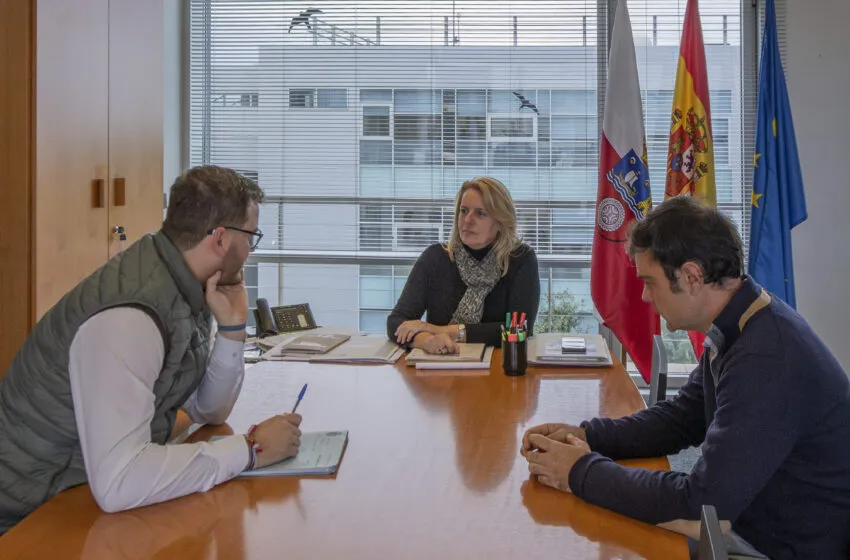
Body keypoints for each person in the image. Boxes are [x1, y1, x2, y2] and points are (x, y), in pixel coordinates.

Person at [521, 196, 850, 560]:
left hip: (780, 547)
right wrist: (586, 436)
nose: (645, 296)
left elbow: (703, 510)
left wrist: (579, 471)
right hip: (752, 524)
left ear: (692, 276)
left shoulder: (765, 356)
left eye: (650, 281)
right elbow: (681, 419)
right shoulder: (741, 321)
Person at [0, 166, 302, 533]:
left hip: (79, 494)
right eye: (251, 238)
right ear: (220, 239)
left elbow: (209, 409)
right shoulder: (131, 316)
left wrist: (232, 329)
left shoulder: (184, 285)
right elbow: (119, 483)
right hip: (30, 516)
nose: (250, 252)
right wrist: (250, 450)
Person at [387, 176, 540, 355]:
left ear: (500, 222)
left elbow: (519, 328)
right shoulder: (436, 257)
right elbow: (397, 322)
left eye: (480, 213)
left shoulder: (520, 259)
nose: (467, 220)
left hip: (500, 370)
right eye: (464, 211)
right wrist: (427, 340)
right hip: (439, 368)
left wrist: (436, 329)